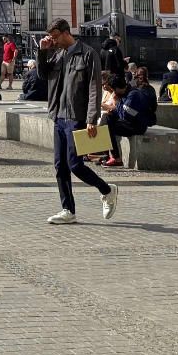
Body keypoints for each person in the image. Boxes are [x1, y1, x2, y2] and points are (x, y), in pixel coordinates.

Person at [38, 20, 116, 225]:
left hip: (77, 117)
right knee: (60, 165)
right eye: (51, 37)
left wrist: (91, 118)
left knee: (75, 164)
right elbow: (43, 75)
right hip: (59, 116)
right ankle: (68, 210)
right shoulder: (57, 54)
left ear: (66, 33)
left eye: (55, 37)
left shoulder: (88, 54)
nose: (53, 41)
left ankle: (107, 190)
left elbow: (94, 87)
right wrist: (43, 52)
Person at [104, 65, 158, 168]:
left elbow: (126, 115)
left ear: (116, 88)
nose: (113, 93)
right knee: (108, 118)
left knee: (108, 125)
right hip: (132, 122)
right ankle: (107, 154)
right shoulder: (128, 92)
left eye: (113, 90)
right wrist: (114, 110)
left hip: (137, 126)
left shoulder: (132, 95)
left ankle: (116, 158)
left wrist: (116, 102)